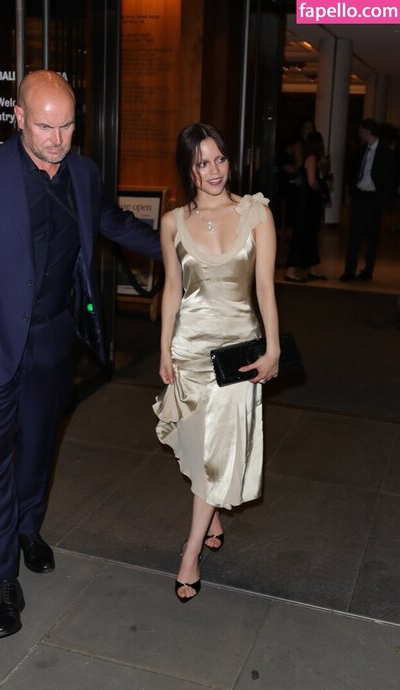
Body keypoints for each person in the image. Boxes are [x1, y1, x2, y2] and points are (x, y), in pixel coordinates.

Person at [0, 70, 161, 639]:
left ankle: (27, 529)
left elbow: (112, 223)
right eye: (45, 127)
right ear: (18, 118)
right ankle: (1, 582)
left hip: (51, 339)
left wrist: (186, 243)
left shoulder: (83, 174)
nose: (58, 139)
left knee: (38, 450)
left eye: (67, 126)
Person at [152, 123, 280, 603]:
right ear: (188, 168)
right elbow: (173, 288)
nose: (213, 170)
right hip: (189, 349)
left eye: (220, 159)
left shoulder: (256, 212)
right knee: (195, 446)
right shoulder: (172, 222)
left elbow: (264, 286)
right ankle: (213, 515)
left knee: (217, 452)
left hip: (236, 355)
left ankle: (190, 553)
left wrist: (273, 348)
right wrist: (164, 347)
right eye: (202, 162)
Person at [340, 118, 396, 282]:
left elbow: (391, 177)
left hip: (374, 198)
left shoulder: (386, 153)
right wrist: (352, 191)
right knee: (354, 235)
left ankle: (368, 271)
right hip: (360, 195)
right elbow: (354, 171)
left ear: (368, 131)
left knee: (372, 237)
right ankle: (349, 271)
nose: (359, 134)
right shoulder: (361, 150)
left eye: (361, 131)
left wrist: (384, 199)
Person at [285, 131, 329, 282]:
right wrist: (324, 185)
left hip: (306, 203)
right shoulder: (311, 159)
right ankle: (291, 271)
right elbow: (312, 183)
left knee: (308, 236)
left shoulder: (310, 158)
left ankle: (312, 269)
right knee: (303, 235)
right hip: (307, 204)